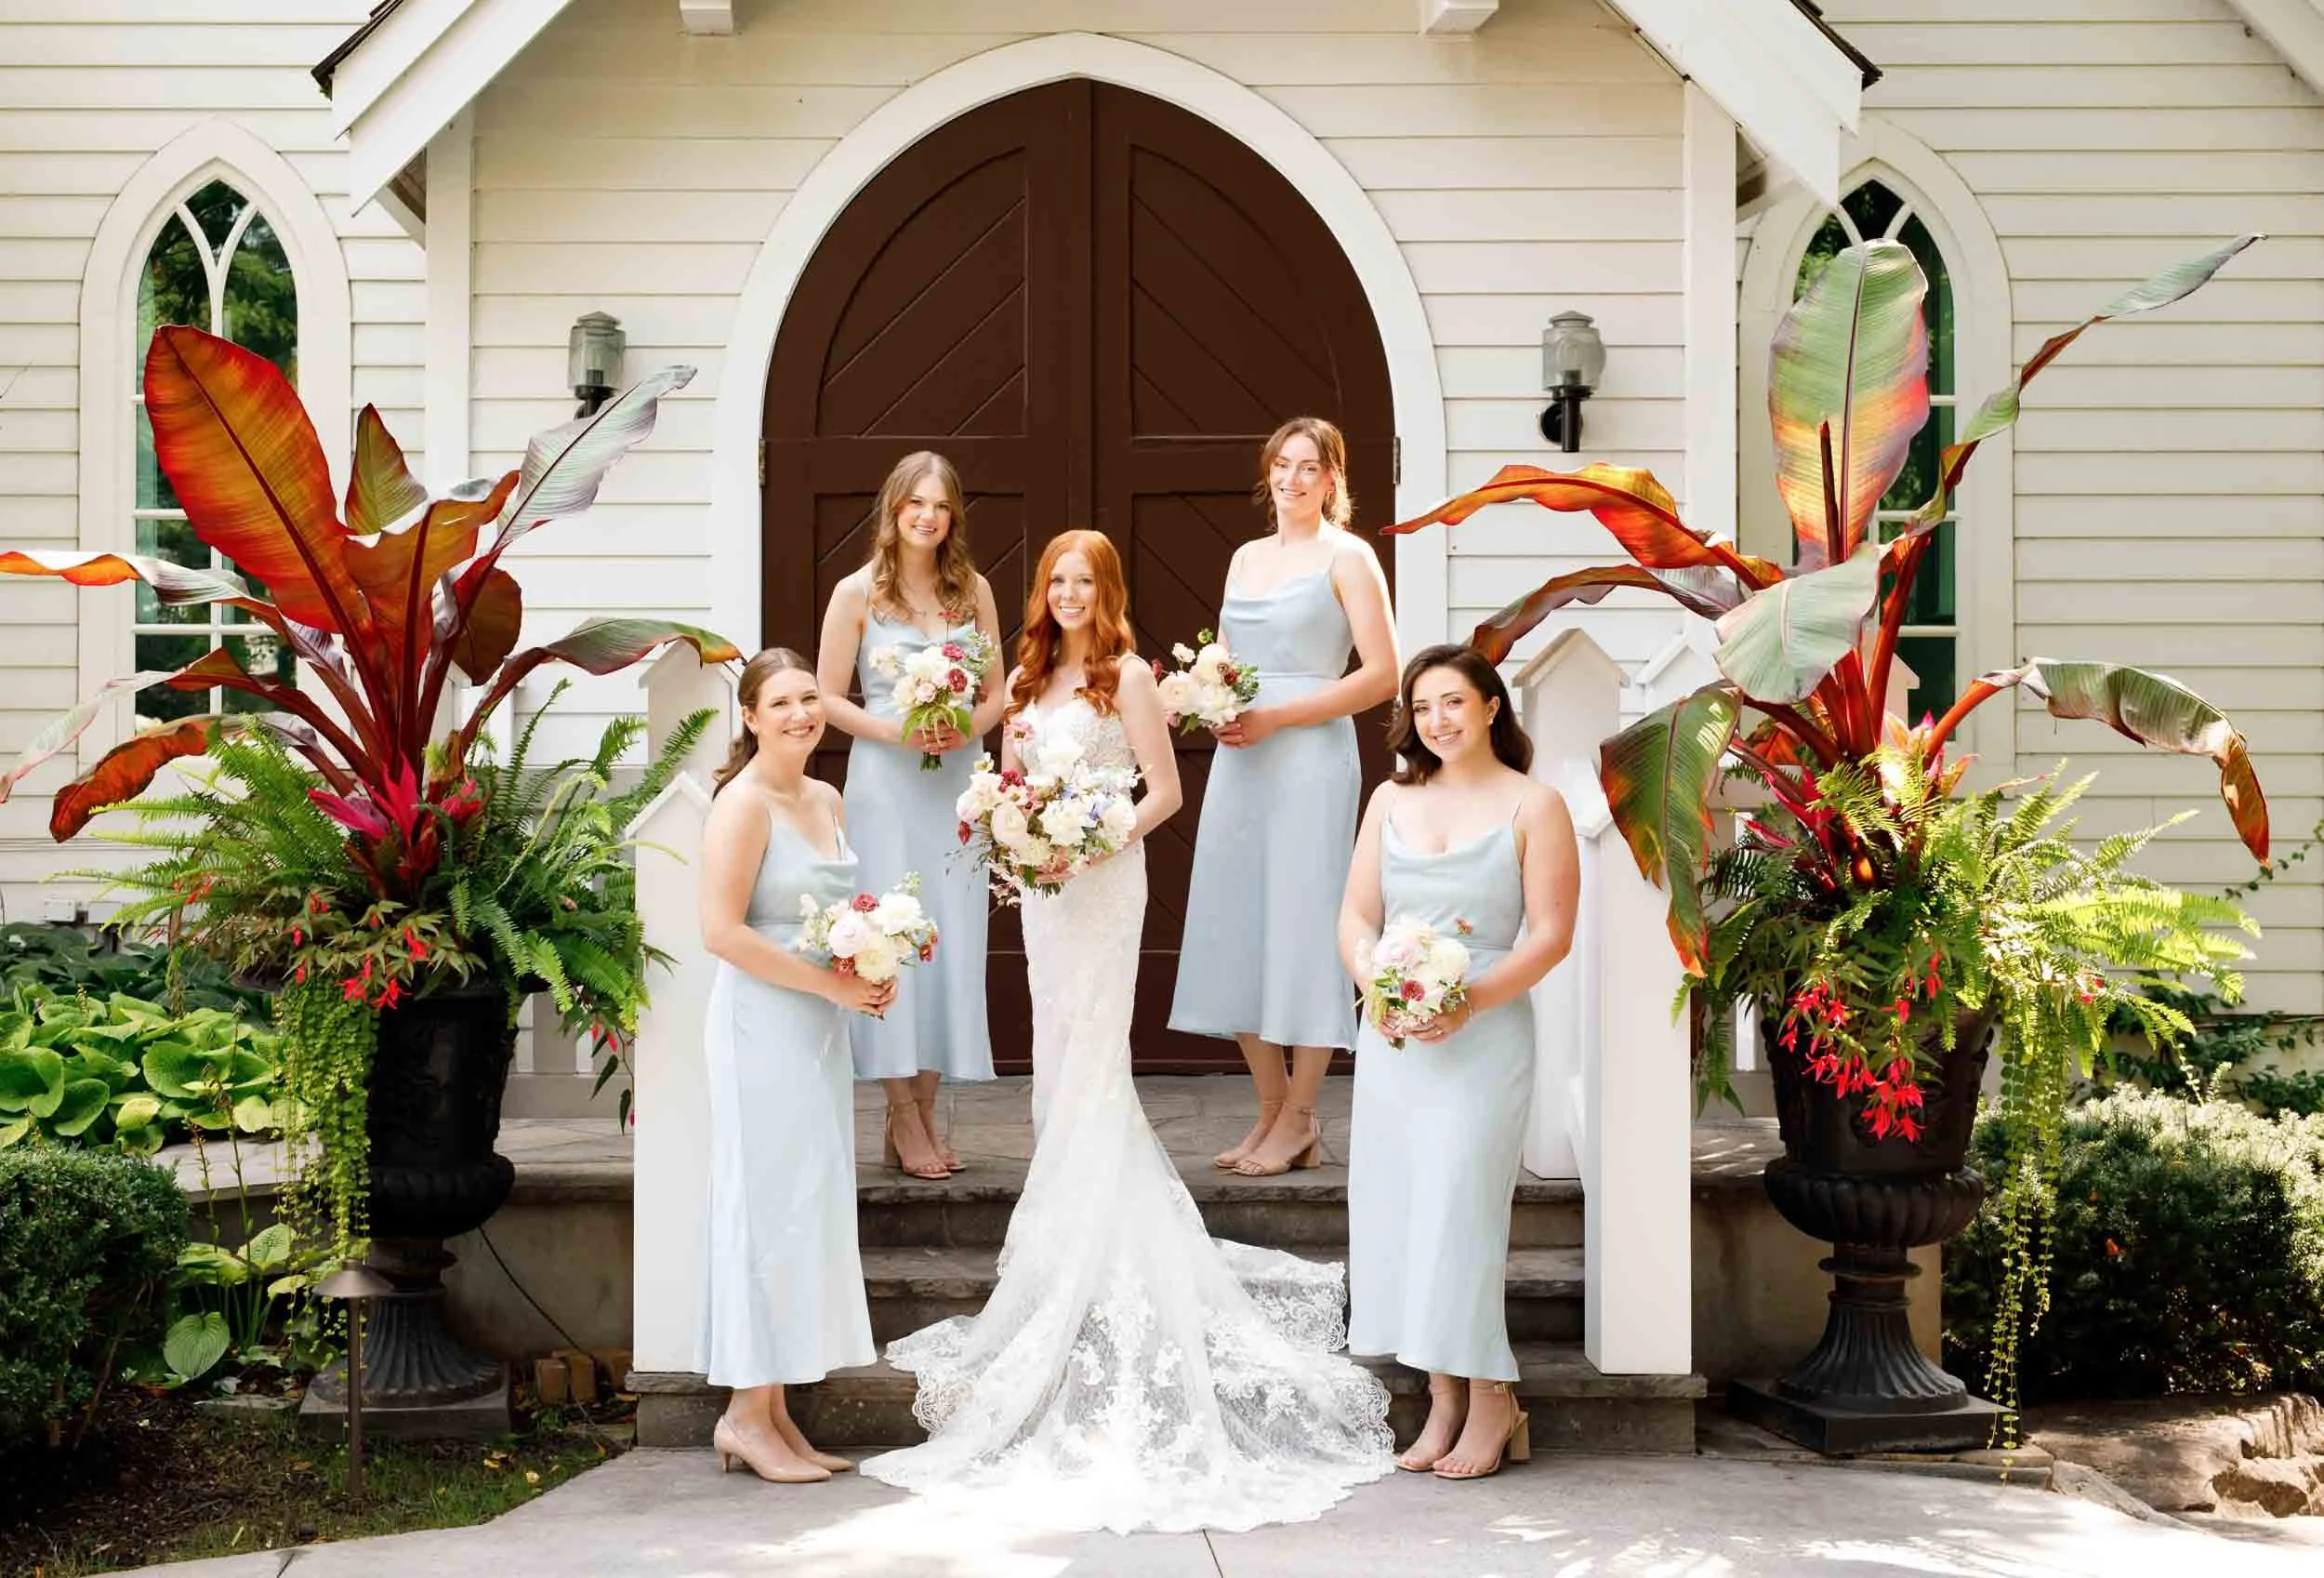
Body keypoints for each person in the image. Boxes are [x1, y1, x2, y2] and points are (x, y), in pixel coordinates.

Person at [860, 531, 1395, 1532]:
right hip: (1044, 892)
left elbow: (1165, 790)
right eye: (1055, 580)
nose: (1067, 594)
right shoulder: (1024, 681)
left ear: (1105, 591)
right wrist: (1018, 833)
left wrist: (1094, 837)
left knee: (1096, 1057)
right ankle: (1057, 1235)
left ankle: (1093, 1242)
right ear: (1042, 592)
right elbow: (1006, 785)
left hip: (1105, 883)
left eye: (1084, 581)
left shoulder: (1131, 676)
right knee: (1056, 1057)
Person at [1339, 644, 1580, 1481]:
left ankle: (1493, 1398)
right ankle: (1441, 1397)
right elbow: (1356, 917)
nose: (1437, 720)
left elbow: (1550, 936)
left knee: (1462, 1214)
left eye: (1452, 702)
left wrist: (1464, 1001)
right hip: (1396, 1039)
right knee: (1402, 1211)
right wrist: (1380, 986)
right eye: (1422, 706)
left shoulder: (1534, 805)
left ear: (1490, 707)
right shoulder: (1390, 798)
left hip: (1484, 1033)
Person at [1169, 418, 1398, 1177]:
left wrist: (1279, 716)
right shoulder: (1244, 557)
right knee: (1234, 920)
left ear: (1333, 480)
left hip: (1309, 756)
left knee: (1303, 923)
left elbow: (1383, 674)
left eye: (1309, 467)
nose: (1292, 478)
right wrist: (1206, 697)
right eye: (1282, 464)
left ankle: (1302, 1116)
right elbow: (1228, 657)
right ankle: (1269, 1108)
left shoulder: (1348, 556)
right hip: (1242, 758)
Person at [695, 649, 895, 1483]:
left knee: (802, 1207)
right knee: (763, 1209)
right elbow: (722, 932)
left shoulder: (826, 797)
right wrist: (829, 984)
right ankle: (744, 1412)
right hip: (760, 1027)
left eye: (810, 698)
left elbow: (835, 913)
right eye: (780, 702)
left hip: (818, 1027)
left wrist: (870, 963)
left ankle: (774, 1411)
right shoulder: (741, 805)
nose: (801, 714)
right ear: (749, 716)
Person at [815, 453, 1004, 1180]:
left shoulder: (973, 590)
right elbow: (828, 696)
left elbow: (996, 694)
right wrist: (899, 731)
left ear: (953, 517)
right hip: (887, 785)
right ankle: (899, 1109)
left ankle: (925, 1106)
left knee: (948, 938)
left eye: (941, 505)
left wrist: (963, 728)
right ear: (893, 510)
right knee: (891, 940)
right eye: (915, 503)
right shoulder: (856, 592)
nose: (928, 516)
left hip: (956, 783)